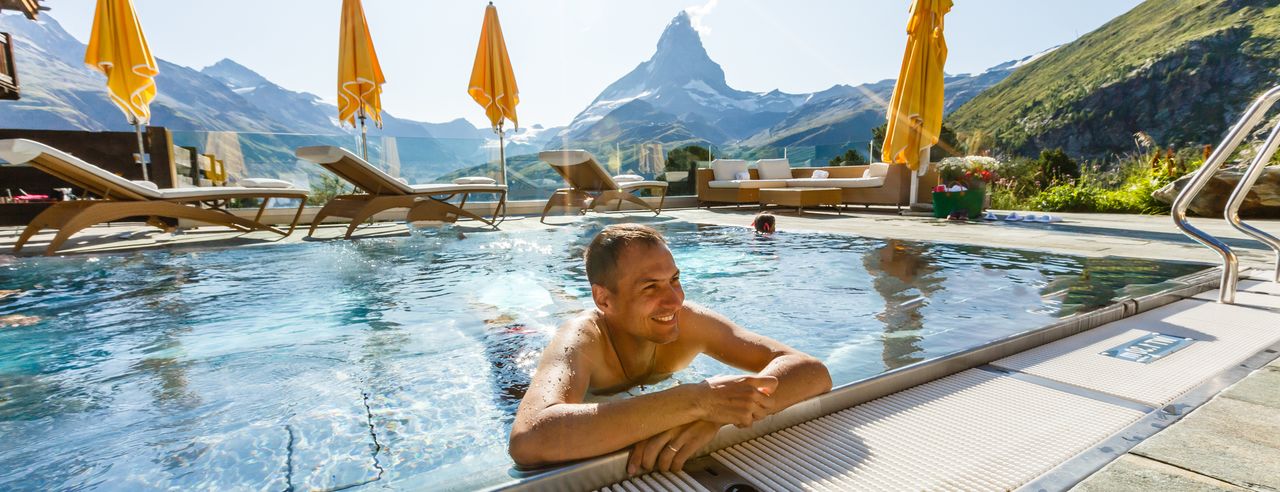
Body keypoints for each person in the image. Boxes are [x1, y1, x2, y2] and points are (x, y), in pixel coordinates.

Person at [508, 224, 831, 475]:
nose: (675, 300)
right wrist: (697, 400)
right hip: (521, 369)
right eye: (651, 287)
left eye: (674, 280)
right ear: (604, 299)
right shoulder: (580, 340)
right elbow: (529, 438)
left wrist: (718, 416)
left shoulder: (689, 322)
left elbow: (811, 371)